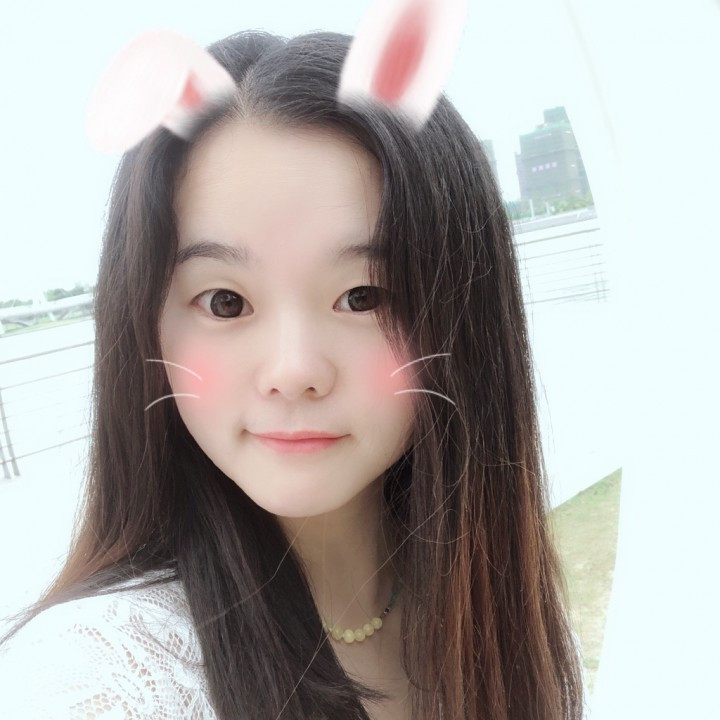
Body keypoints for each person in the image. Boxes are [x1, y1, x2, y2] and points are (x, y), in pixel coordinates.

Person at [0, 29, 586, 720]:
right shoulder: (104, 677)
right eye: (225, 302)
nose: (294, 371)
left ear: (464, 317)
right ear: (144, 326)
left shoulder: (495, 610)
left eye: (364, 296)